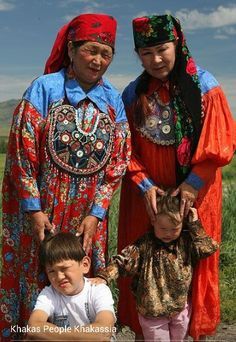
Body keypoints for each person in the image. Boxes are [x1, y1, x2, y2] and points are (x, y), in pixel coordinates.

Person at [0, 13, 131, 340]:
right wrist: (34, 210)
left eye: (106, 54)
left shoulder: (113, 101)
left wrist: (97, 213)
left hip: (87, 219)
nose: (98, 60)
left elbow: (118, 163)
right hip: (42, 217)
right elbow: (21, 152)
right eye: (91, 50)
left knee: (82, 285)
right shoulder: (44, 90)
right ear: (71, 49)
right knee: (41, 281)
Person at [117, 14, 236, 341]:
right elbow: (123, 146)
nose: (155, 59)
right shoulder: (133, 94)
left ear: (178, 44)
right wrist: (143, 183)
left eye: (162, 49)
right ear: (138, 55)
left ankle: (188, 333)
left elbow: (221, 142)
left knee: (192, 262)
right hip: (147, 200)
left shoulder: (205, 87)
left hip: (196, 197)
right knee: (142, 264)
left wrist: (191, 184)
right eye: (146, 52)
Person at [94, 193, 219, 341]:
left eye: (174, 229)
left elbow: (208, 249)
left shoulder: (185, 242)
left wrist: (194, 224)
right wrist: (104, 276)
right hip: (152, 312)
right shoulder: (145, 245)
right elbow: (124, 261)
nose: (168, 233)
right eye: (163, 228)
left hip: (180, 309)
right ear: (153, 221)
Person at [26, 232, 116, 341]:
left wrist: (55, 335)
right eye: (51, 271)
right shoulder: (49, 293)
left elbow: (103, 332)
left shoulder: (98, 290)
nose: (59, 277)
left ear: (85, 265)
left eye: (64, 269)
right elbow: (33, 328)